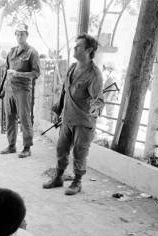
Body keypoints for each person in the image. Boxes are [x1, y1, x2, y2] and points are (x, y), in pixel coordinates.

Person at [43, 34, 104, 195]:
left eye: (78, 46)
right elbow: (65, 90)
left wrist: (95, 108)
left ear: (89, 50)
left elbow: (98, 99)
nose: (74, 48)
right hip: (68, 118)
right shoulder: (72, 67)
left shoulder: (94, 75)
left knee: (79, 152)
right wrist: (58, 109)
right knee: (61, 149)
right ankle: (58, 177)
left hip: (83, 122)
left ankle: (77, 182)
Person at [0, 23, 40, 158]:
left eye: (22, 33)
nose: (19, 36)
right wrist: (4, 89)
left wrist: (18, 74)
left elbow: (36, 73)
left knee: (24, 117)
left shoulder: (32, 52)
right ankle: (11, 145)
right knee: (9, 118)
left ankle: (27, 147)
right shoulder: (11, 51)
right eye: (17, 33)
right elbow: (7, 71)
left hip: (23, 89)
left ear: (27, 35)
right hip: (10, 89)